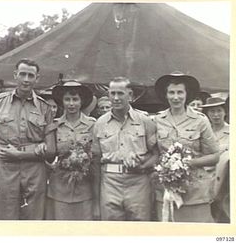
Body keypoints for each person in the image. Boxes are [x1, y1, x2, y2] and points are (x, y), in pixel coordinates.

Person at [0, 58, 56, 220]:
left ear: (37, 78)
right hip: (6, 169)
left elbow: (51, 151)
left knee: (33, 220)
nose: (26, 80)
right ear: (15, 75)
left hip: (35, 172)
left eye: (31, 75)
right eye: (22, 74)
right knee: (6, 219)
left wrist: (22, 154)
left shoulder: (45, 108)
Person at [154, 71, 219, 222]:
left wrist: (189, 163)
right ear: (166, 95)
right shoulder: (157, 120)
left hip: (195, 192)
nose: (175, 97)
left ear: (186, 94)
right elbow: (153, 152)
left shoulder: (200, 120)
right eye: (171, 92)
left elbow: (214, 156)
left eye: (180, 92)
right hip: (166, 191)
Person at [92, 76, 158, 221]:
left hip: (138, 182)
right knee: (112, 230)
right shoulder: (100, 124)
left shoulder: (145, 121)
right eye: (112, 93)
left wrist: (142, 166)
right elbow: (95, 162)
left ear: (131, 95)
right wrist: (97, 201)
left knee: (139, 229)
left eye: (120, 93)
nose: (115, 98)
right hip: (109, 184)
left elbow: (156, 154)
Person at [46, 81, 97, 220]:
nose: (71, 103)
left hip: (85, 188)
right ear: (62, 102)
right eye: (67, 99)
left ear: (82, 102)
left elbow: (96, 156)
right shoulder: (54, 126)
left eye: (75, 99)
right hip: (60, 188)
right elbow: (49, 156)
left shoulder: (92, 125)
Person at [201, 97, 230, 223]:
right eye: (212, 111)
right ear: (207, 114)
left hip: (225, 184)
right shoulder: (203, 133)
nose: (216, 115)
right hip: (205, 182)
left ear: (225, 112)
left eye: (219, 111)